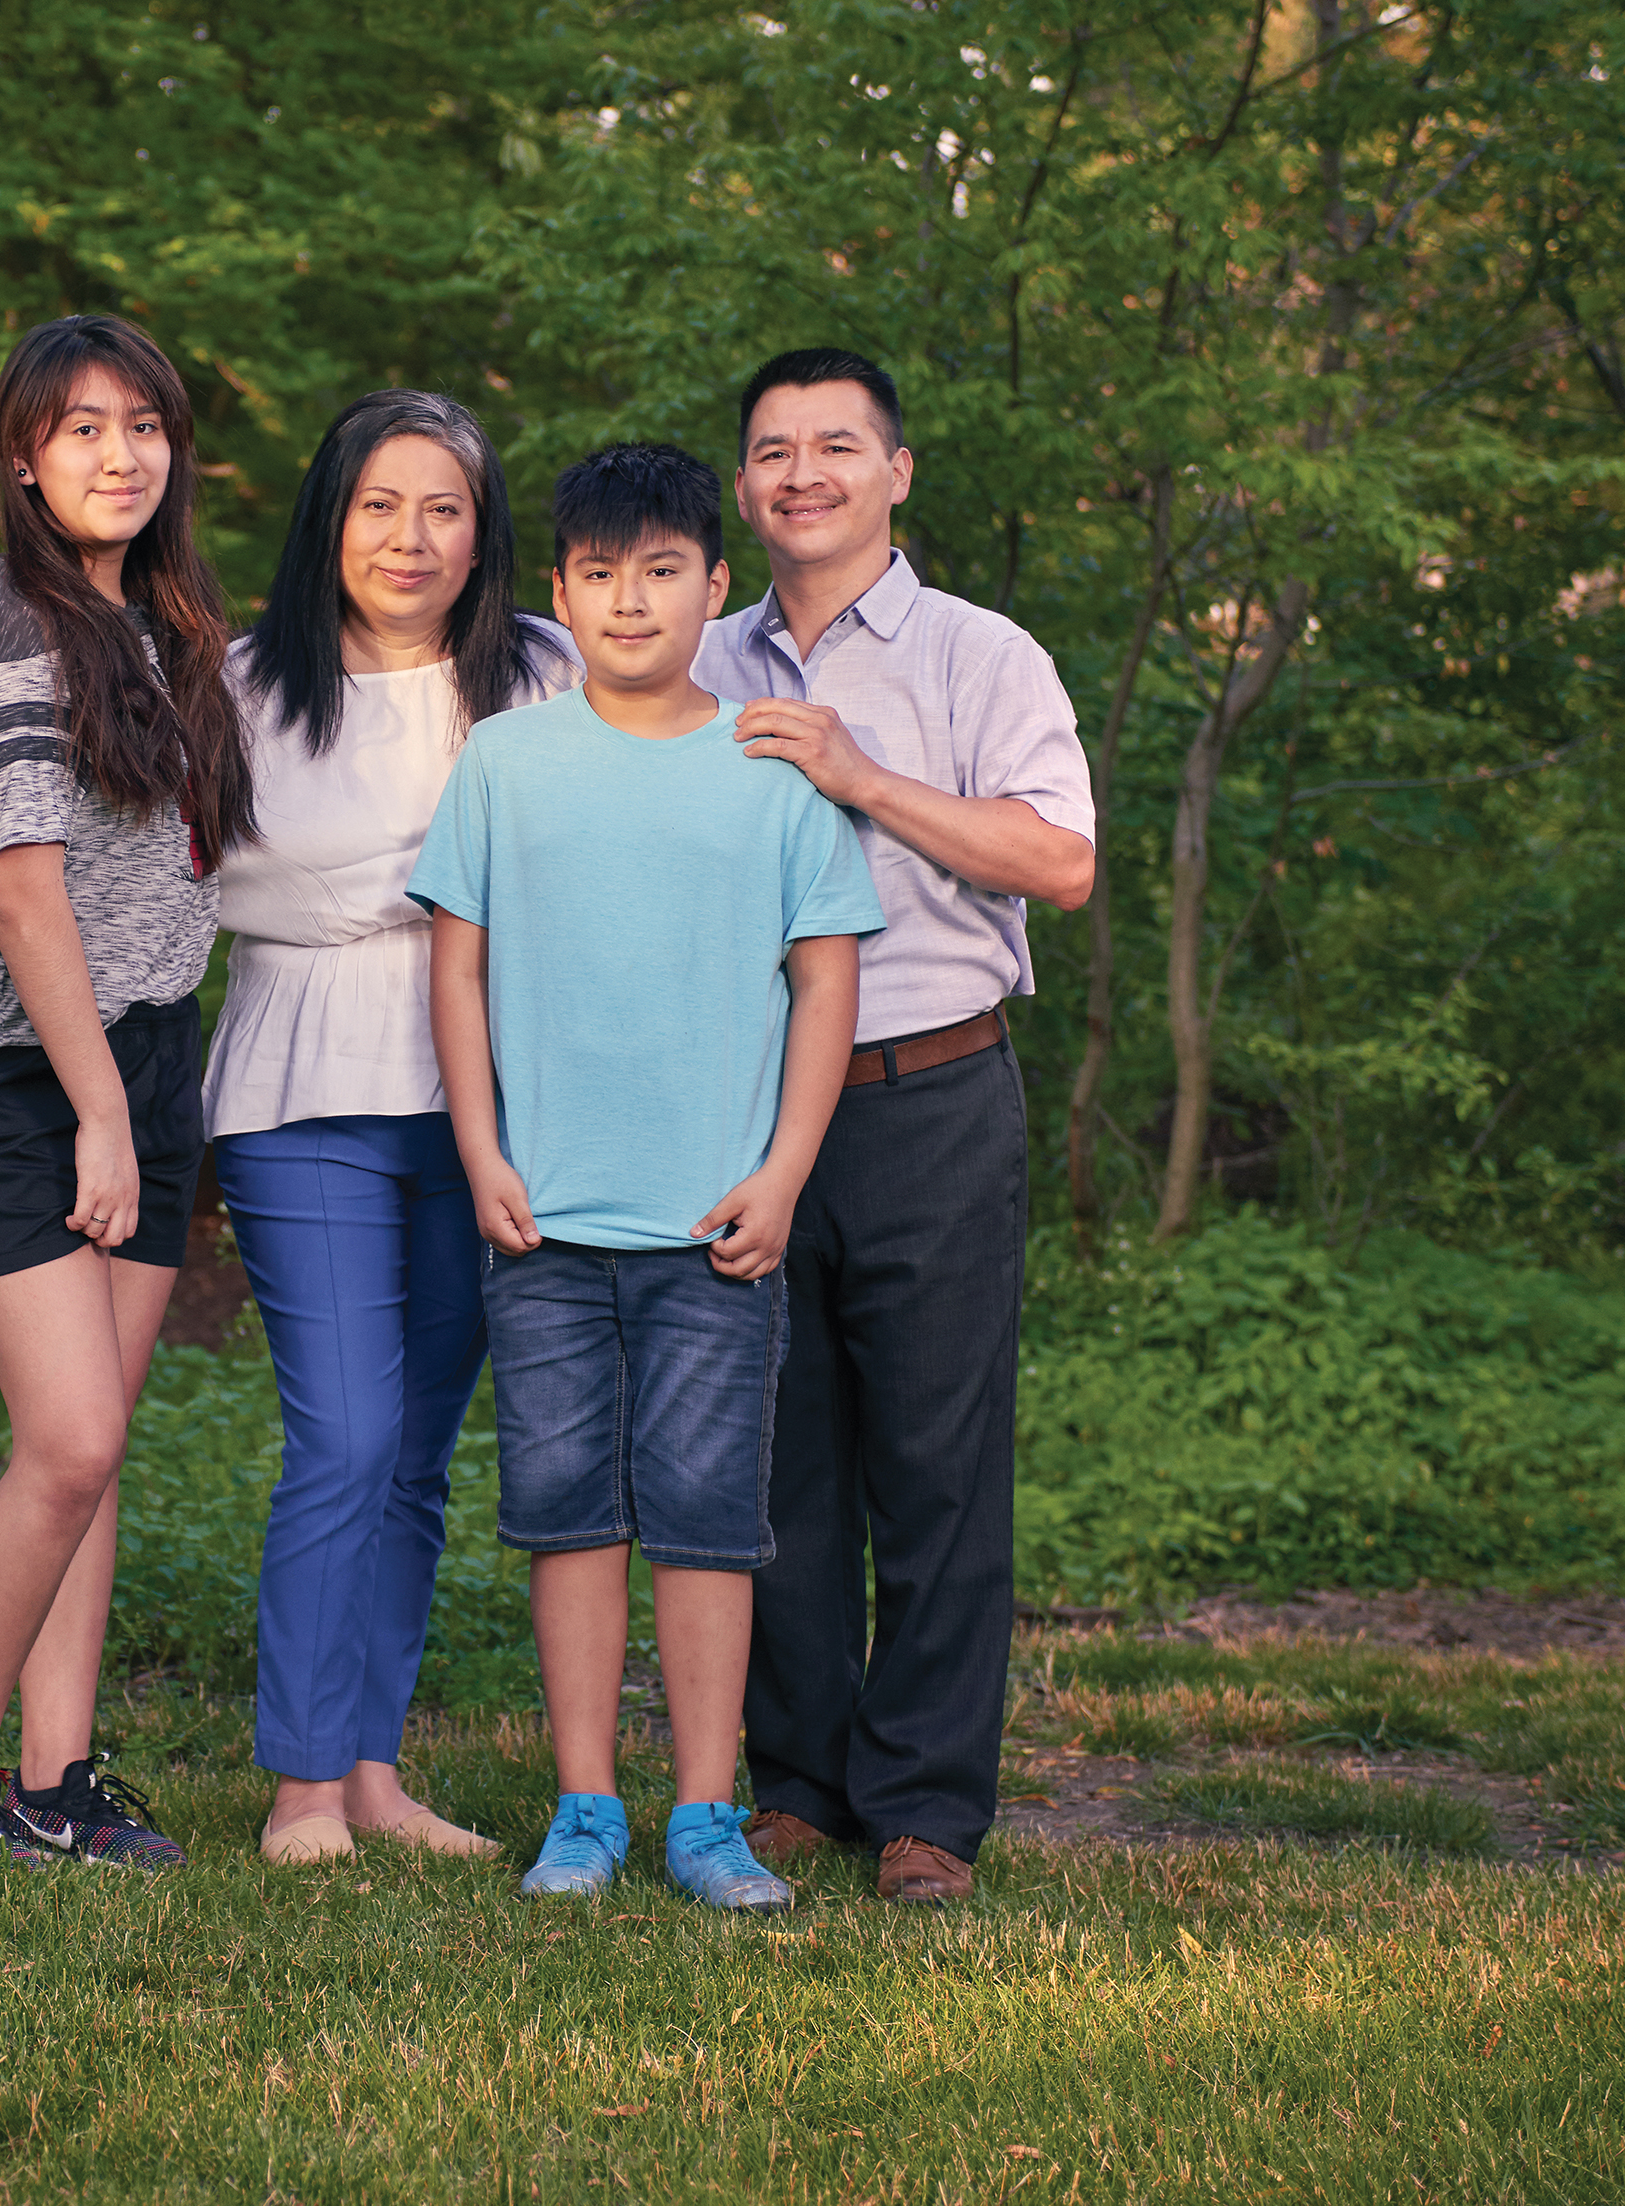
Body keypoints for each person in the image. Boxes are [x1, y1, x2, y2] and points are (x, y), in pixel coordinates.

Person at [410, 443, 882, 1911]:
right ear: (559, 590)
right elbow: (456, 969)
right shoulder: (502, 763)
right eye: (600, 574)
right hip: (542, 1218)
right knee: (564, 1512)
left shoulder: (770, 765)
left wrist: (785, 1169)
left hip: (713, 1229)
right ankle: (583, 1803)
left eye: (660, 570)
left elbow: (822, 984)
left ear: (711, 583)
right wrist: (480, 1149)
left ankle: (701, 1811)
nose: (630, 600)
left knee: (701, 1519)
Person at [697, 347, 1096, 1904]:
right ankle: (795, 1783)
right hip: (741, 1104)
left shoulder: (978, 654)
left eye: (834, 447)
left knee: (934, 1459)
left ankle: (927, 1801)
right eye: (772, 450)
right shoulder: (697, 651)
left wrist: (864, 776)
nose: (800, 472)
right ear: (743, 483)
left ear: (896, 472)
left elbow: (1056, 861)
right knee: (774, 1462)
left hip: (930, 1090)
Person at [0, 314, 257, 1871]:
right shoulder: (10, 626)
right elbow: (25, 892)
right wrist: (97, 1112)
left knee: (95, 1445)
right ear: (25, 459)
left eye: (144, 425)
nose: (118, 453)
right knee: (70, 1441)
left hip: (146, 1043)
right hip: (21, 1071)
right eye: (81, 427)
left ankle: (58, 1778)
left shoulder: (164, 624)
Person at [202, 390, 580, 1866]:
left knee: (419, 1452)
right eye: (379, 504)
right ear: (329, 517)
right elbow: (223, 890)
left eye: (443, 508)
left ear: (482, 535)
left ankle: (371, 1769)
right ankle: (297, 1783)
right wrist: (437, 884)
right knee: (343, 1437)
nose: (409, 537)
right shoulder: (239, 684)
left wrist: (398, 890)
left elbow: (576, 867)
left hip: (487, 1104)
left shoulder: (541, 678)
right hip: (300, 1092)